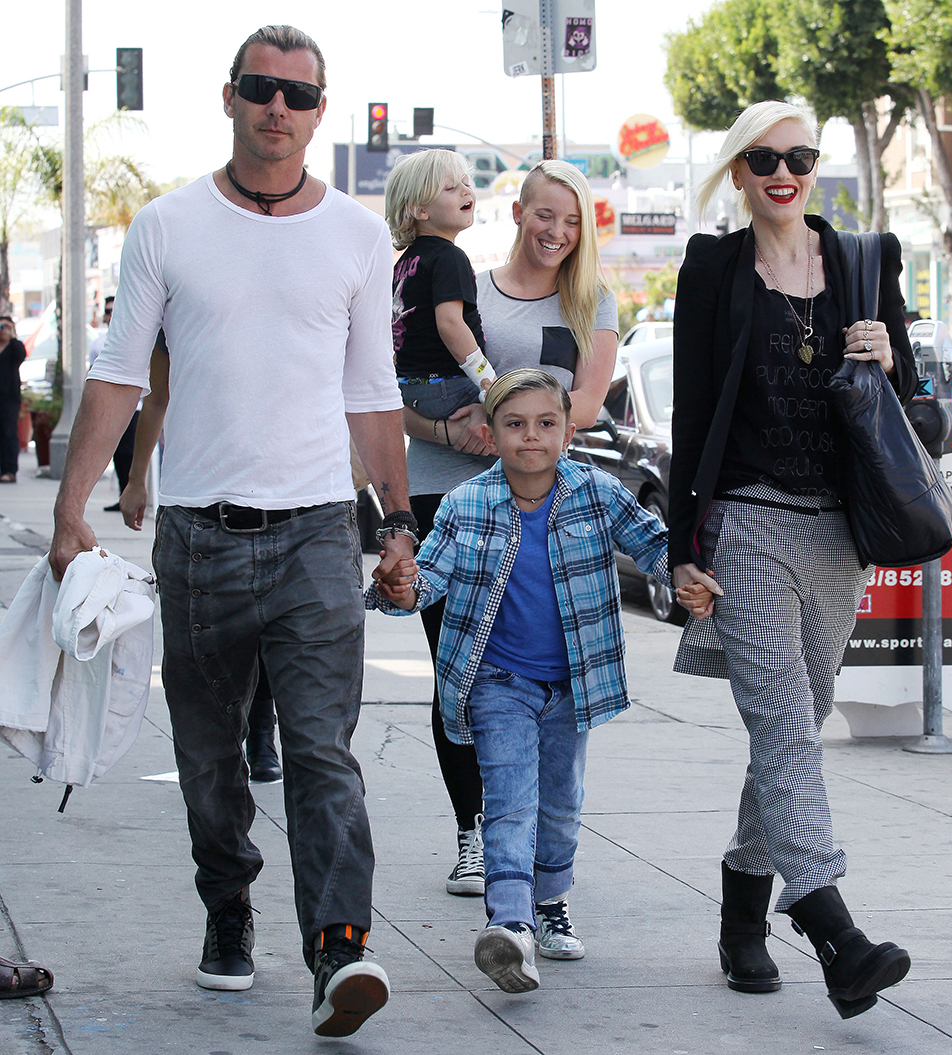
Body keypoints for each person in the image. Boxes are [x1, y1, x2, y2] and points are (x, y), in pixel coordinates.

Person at [48, 25, 413, 1038]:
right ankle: (228, 901)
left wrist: (394, 524)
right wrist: (73, 506)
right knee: (211, 767)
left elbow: (370, 390)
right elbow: (120, 372)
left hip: (311, 535)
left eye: (297, 94)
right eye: (260, 88)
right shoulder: (167, 225)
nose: (277, 107)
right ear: (229, 96)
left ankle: (339, 945)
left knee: (321, 753)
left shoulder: (354, 233)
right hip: (199, 539)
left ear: (319, 111)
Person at [668, 100, 916, 1019]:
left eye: (799, 156)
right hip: (748, 525)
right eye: (764, 158)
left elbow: (917, 408)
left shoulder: (864, 260)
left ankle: (742, 911)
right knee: (780, 726)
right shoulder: (714, 267)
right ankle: (833, 929)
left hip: (838, 534)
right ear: (738, 171)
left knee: (795, 726)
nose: (783, 171)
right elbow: (694, 415)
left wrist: (890, 359)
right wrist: (681, 548)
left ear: (815, 166)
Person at [370, 369, 673, 992]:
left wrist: (692, 576)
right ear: (489, 432)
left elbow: (655, 547)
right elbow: (430, 579)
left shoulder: (599, 493)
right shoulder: (466, 503)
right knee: (508, 802)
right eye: (514, 425)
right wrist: (399, 590)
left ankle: (549, 902)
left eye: (545, 424)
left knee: (560, 806)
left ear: (567, 431)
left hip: (572, 685)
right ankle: (508, 926)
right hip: (496, 683)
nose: (530, 437)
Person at [400, 159, 619, 899]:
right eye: (544, 214)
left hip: (543, 509)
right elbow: (390, 391)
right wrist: (447, 426)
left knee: (537, 678)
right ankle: (474, 833)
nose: (557, 231)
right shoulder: (463, 290)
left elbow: (586, 402)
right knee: (456, 673)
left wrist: (516, 423)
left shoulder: (592, 302)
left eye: (572, 219)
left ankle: (524, 840)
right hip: (449, 494)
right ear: (519, 212)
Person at [119, 335, 282, 783]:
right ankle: (226, 745)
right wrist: (136, 481)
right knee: (211, 633)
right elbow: (156, 400)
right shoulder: (172, 314)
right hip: (198, 497)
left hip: (276, 485)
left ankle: (262, 734)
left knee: (270, 628)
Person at [384, 149, 496, 422]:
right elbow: (450, 323)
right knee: (518, 417)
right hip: (449, 386)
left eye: (467, 183)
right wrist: (488, 380)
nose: (465, 192)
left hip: (411, 390)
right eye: (450, 187)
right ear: (420, 210)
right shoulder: (449, 257)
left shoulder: (405, 263)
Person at [90, 296, 136, 512]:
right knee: (117, 453)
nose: (110, 314)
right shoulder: (99, 342)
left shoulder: (137, 337)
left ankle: (134, 493)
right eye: (107, 311)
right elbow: (93, 374)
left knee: (131, 452)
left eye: (113, 309)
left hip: (136, 407)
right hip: (110, 408)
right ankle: (122, 495)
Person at [0, 315, 26, 483]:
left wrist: (12, 335)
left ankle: (10, 470)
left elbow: (21, 355)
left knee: (8, 432)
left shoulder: (14, 347)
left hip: (9, 398)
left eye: (6, 326)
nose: (2, 330)